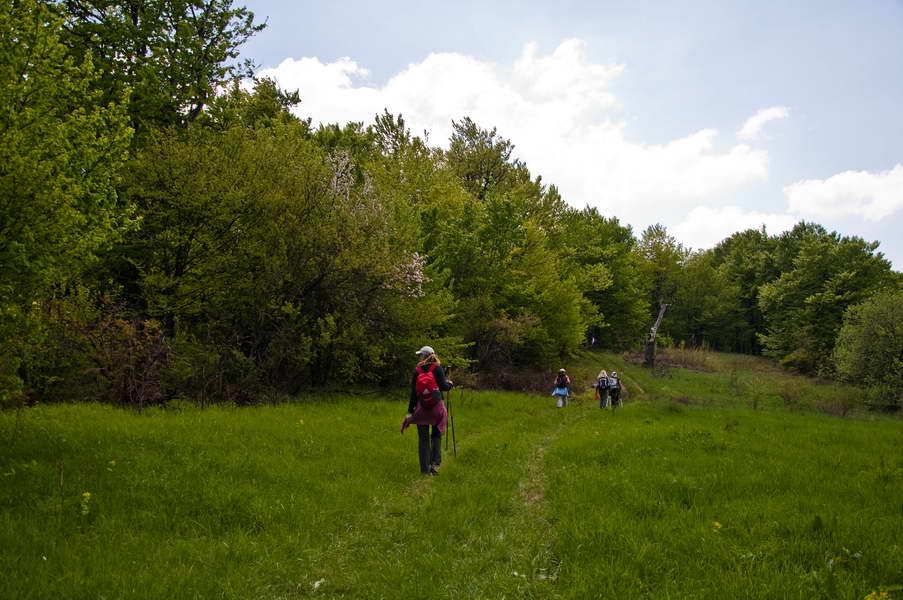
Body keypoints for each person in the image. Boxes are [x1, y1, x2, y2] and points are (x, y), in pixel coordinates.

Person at [401, 345, 453, 476]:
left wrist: (410, 412)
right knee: (436, 434)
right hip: (437, 408)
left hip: (421, 408)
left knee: (423, 439)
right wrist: (450, 384)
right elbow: (444, 387)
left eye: (420, 355)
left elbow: (414, 393)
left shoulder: (417, 370)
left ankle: (424, 470)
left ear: (424, 356)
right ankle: (435, 463)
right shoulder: (437, 368)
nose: (419, 357)